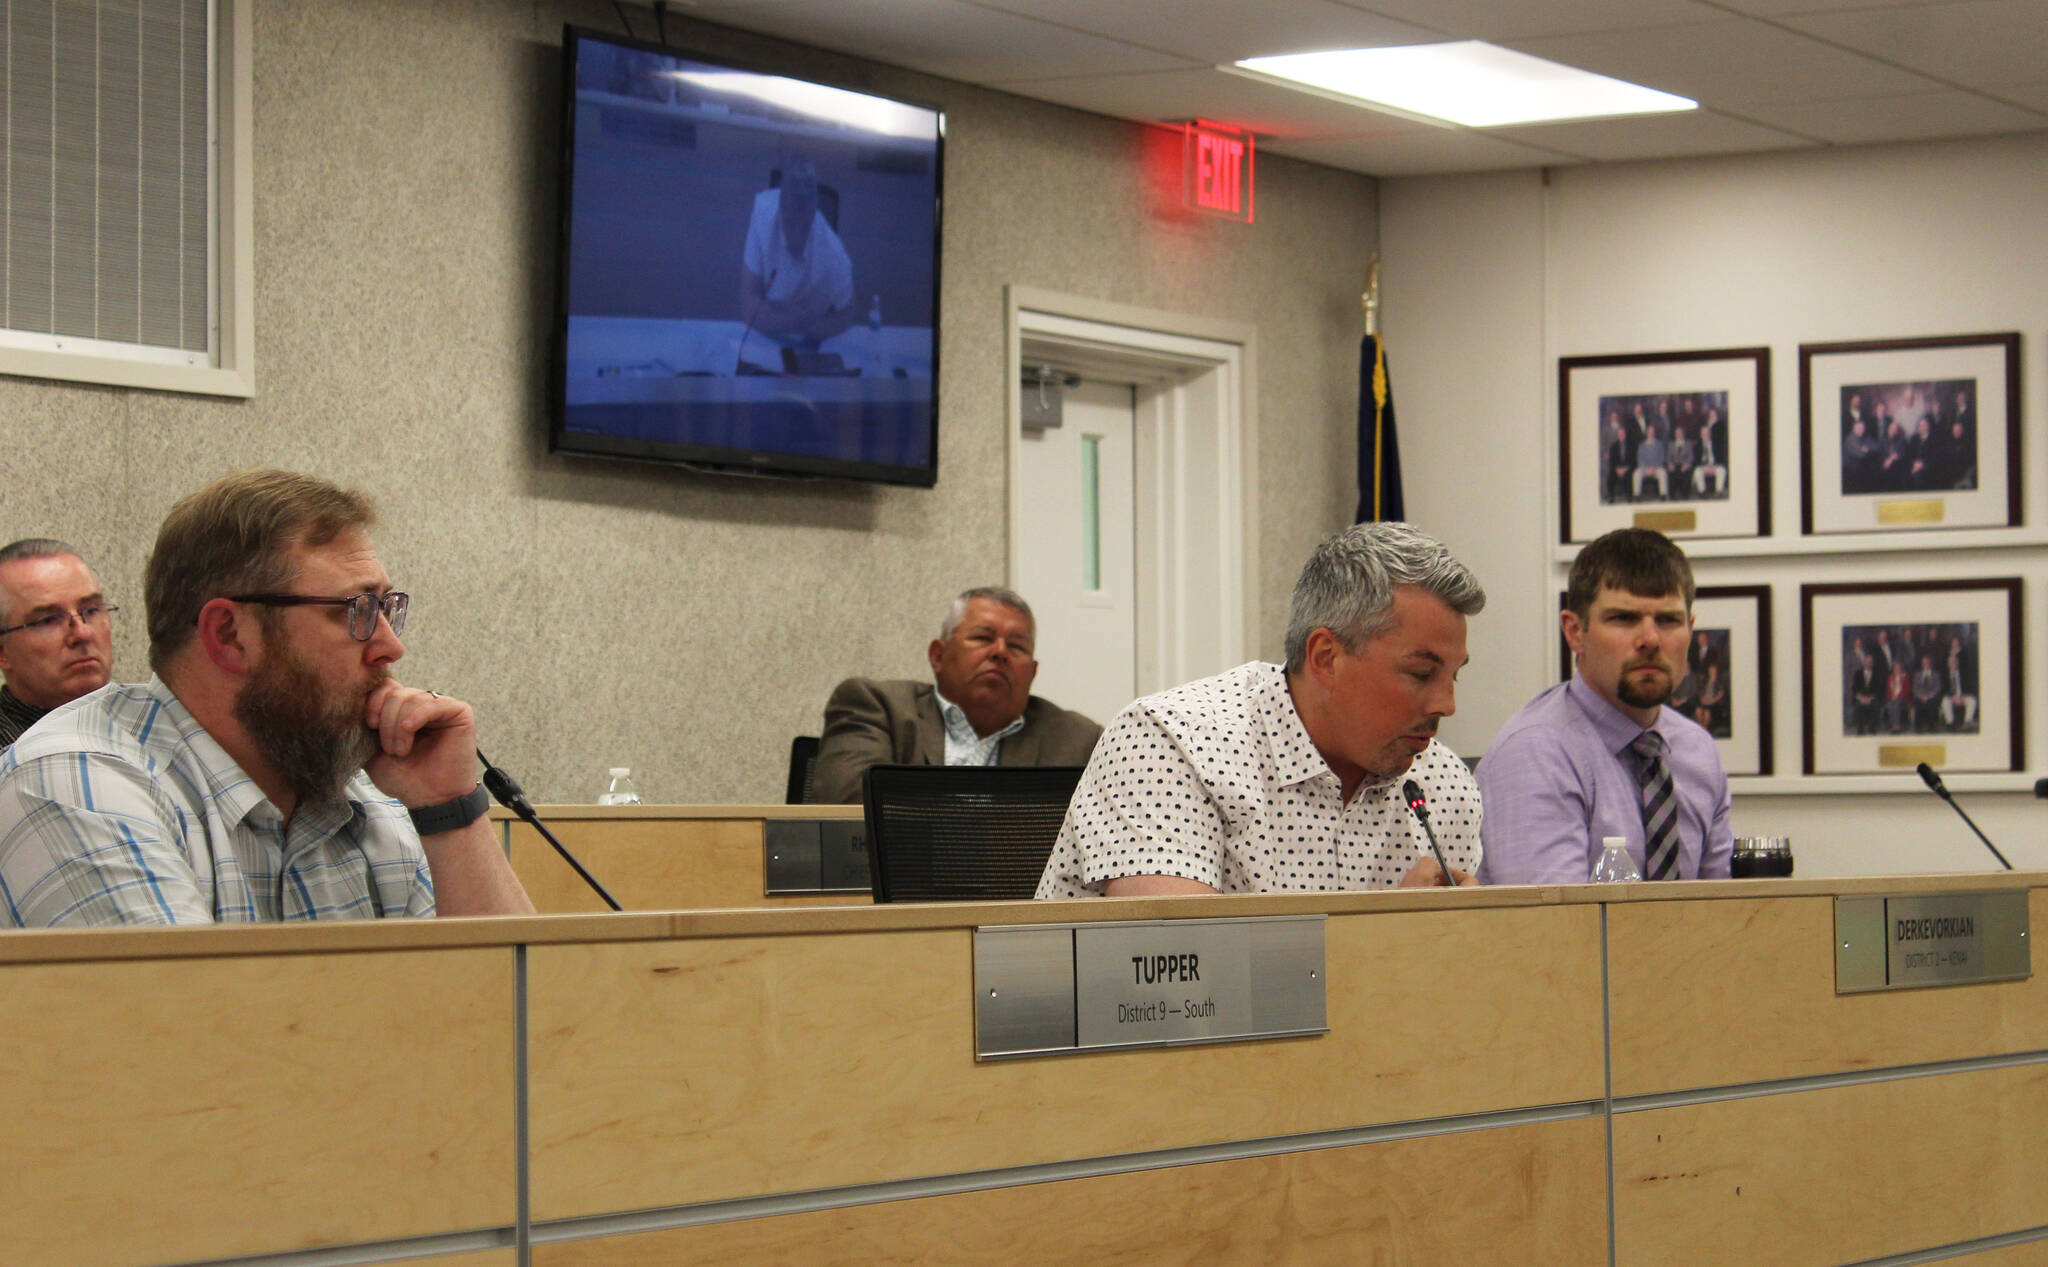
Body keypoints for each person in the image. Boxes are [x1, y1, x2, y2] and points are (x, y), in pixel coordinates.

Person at [0, 470, 534, 926]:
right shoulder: (76, 782)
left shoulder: (369, 796)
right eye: (355, 611)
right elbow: (196, 1039)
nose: (390, 647)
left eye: (385, 609)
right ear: (230, 635)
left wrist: (450, 812)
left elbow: (518, 1012)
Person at [1035, 521, 1485, 898]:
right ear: (1326, 657)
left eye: (1455, 675)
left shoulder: (1443, 787)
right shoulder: (1170, 740)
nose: (1447, 705)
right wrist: (1395, 936)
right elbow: (1179, 977)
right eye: (1421, 674)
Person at [1476, 528, 1732, 885]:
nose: (1650, 640)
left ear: (1690, 630)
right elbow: (1554, 930)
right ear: (1574, 632)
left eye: (1668, 620)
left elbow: (1728, 914)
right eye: (1623, 618)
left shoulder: (1697, 750)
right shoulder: (1535, 752)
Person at [812, 587, 1102, 804]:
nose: (1000, 652)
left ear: (1032, 673)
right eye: (982, 638)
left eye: (1016, 646)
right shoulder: (878, 707)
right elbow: (846, 807)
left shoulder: (1078, 741)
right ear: (938, 656)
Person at [0, 539, 116, 746]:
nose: (82, 633)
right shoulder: (8, 762)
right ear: (3, 652)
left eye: (91, 611)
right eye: (48, 620)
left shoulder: (153, 730)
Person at [739, 155, 857, 348]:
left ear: (814, 214)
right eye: (790, 223)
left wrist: (812, 328)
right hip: (767, 336)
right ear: (781, 208)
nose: (796, 236)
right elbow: (748, 300)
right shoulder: (763, 214)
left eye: (804, 226)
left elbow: (848, 312)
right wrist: (788, 321)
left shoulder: (833, 253)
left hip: (809, 340)